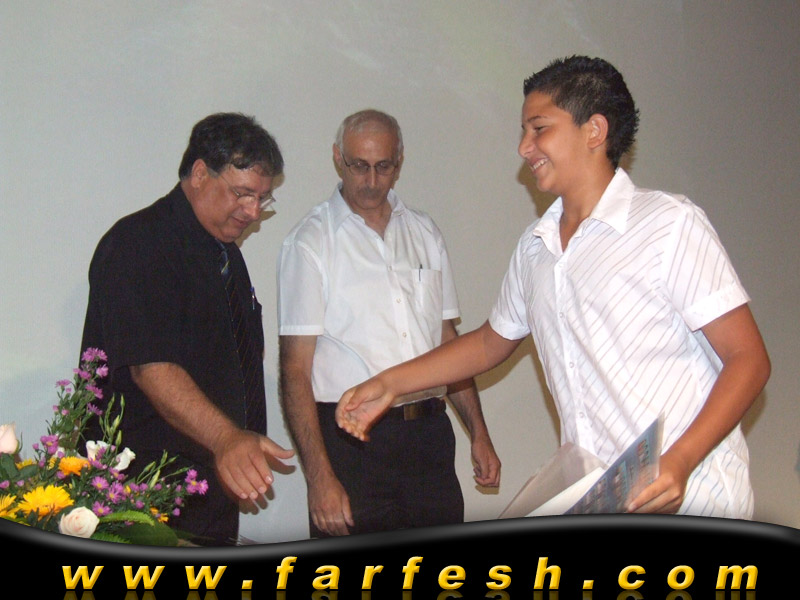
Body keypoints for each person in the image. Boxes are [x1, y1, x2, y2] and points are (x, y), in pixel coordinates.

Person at [336, 57, 771, 518]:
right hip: (603, 501)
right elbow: (488, 344)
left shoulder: (668, 224)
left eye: (539, 129)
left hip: (696, 497)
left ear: (594, 130)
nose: (524, 147)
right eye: (524, 131)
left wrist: (680, 460)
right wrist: (389, 383)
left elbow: (748, 359)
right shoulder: (536, 246)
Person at [278, 109, 501, 536]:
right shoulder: (310, 241)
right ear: (337, 158)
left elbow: (448, 343)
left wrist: (479, 433)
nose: (371, 180)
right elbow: (295, 369)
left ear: (399, 163)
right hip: (351, 445)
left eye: (383, 167)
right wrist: (319, 478)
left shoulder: (424, 232)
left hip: (429, 438)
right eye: (358, 166)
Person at [80, 112, 294, 545]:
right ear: (199, 174)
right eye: (242, 193)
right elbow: (152, 368)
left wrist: (234, 446)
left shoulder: (224, 254)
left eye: (262, 198)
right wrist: (227, 438)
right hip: (142, 499)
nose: (254, 212)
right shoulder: (139, 243)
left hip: (207, 491)